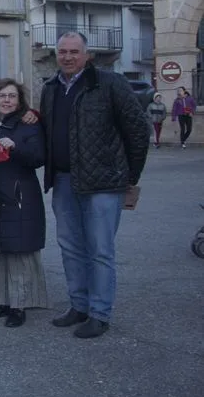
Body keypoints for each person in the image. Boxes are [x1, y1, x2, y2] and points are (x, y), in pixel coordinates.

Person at [40, 31, 149, 338]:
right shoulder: (50, 88)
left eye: (75, 51)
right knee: (71, 248)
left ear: (87, 55)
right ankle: (79, 306)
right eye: (63, 51)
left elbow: (138, 130)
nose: (68, 56)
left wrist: (130, 177)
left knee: (100, 250)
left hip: (104, 183)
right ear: (56, 54)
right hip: (63, 180)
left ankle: (99, 313)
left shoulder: (110, 84)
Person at [0, 79, 49, 328]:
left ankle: (19, 305)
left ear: (19, 100)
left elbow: (38, 157)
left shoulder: (29, 125)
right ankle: (1, 300)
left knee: (18, 251)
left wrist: (14, 148)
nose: (6, 100)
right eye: (2, 96)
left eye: (12, 96)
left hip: (19, 194)